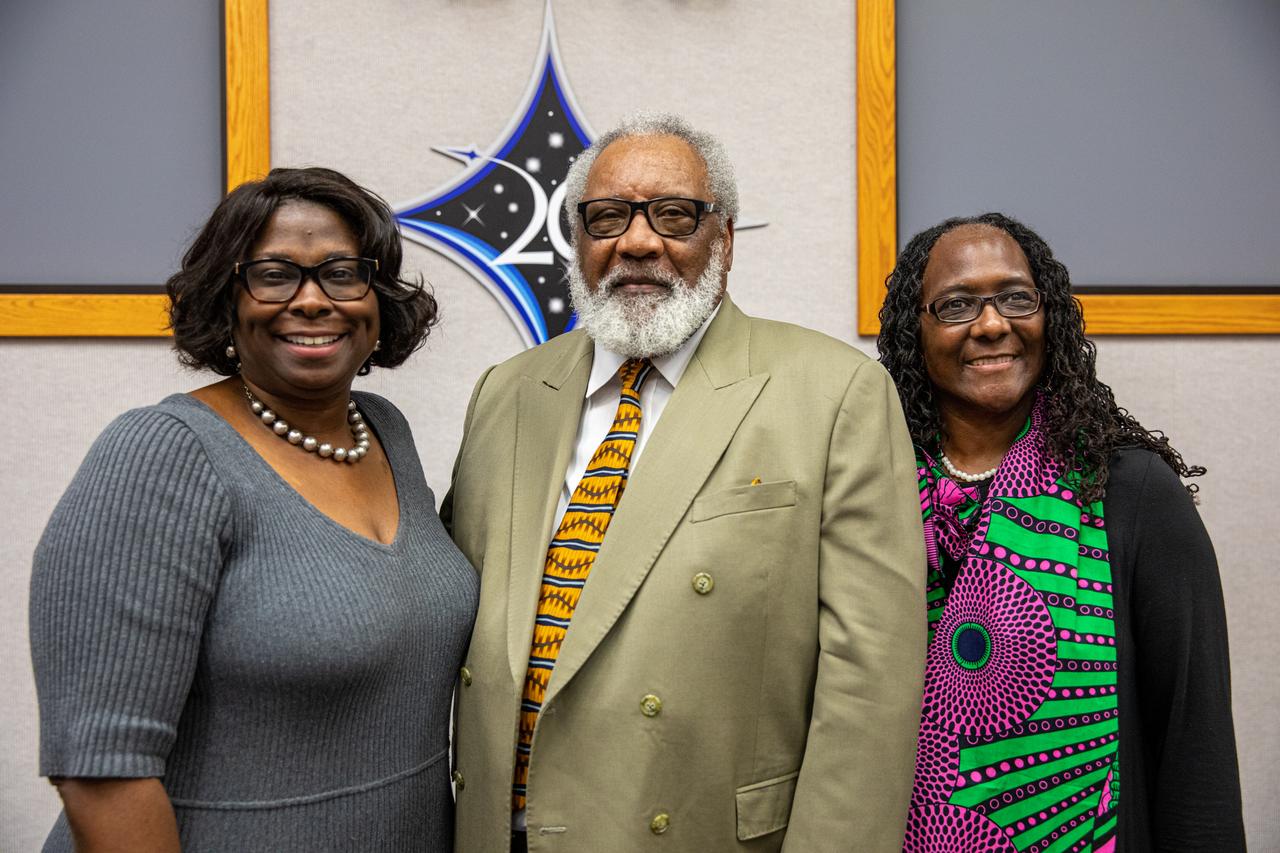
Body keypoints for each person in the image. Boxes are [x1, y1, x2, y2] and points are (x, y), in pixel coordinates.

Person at [440, 112, 926, 853]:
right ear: (577, 240)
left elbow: (869, 692)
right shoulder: (505, 393)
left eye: (674, 215)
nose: (637, 241)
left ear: (724, 239)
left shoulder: (836, 394)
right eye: (606, 217)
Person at [29, 167, 478, 852]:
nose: (311, 300)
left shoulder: (384, 430)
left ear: (377, 298)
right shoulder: (163, 454)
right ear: (226, 301)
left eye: (340, 273)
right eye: (273, 275)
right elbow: (101, 772)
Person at [877, 213, 1246, 852]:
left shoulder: (1132, 492)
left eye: (1016, 298)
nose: (993, 324)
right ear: (916, 331)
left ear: (1051, 318)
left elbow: (1195, 742)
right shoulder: (866, 489)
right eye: (957, 305)